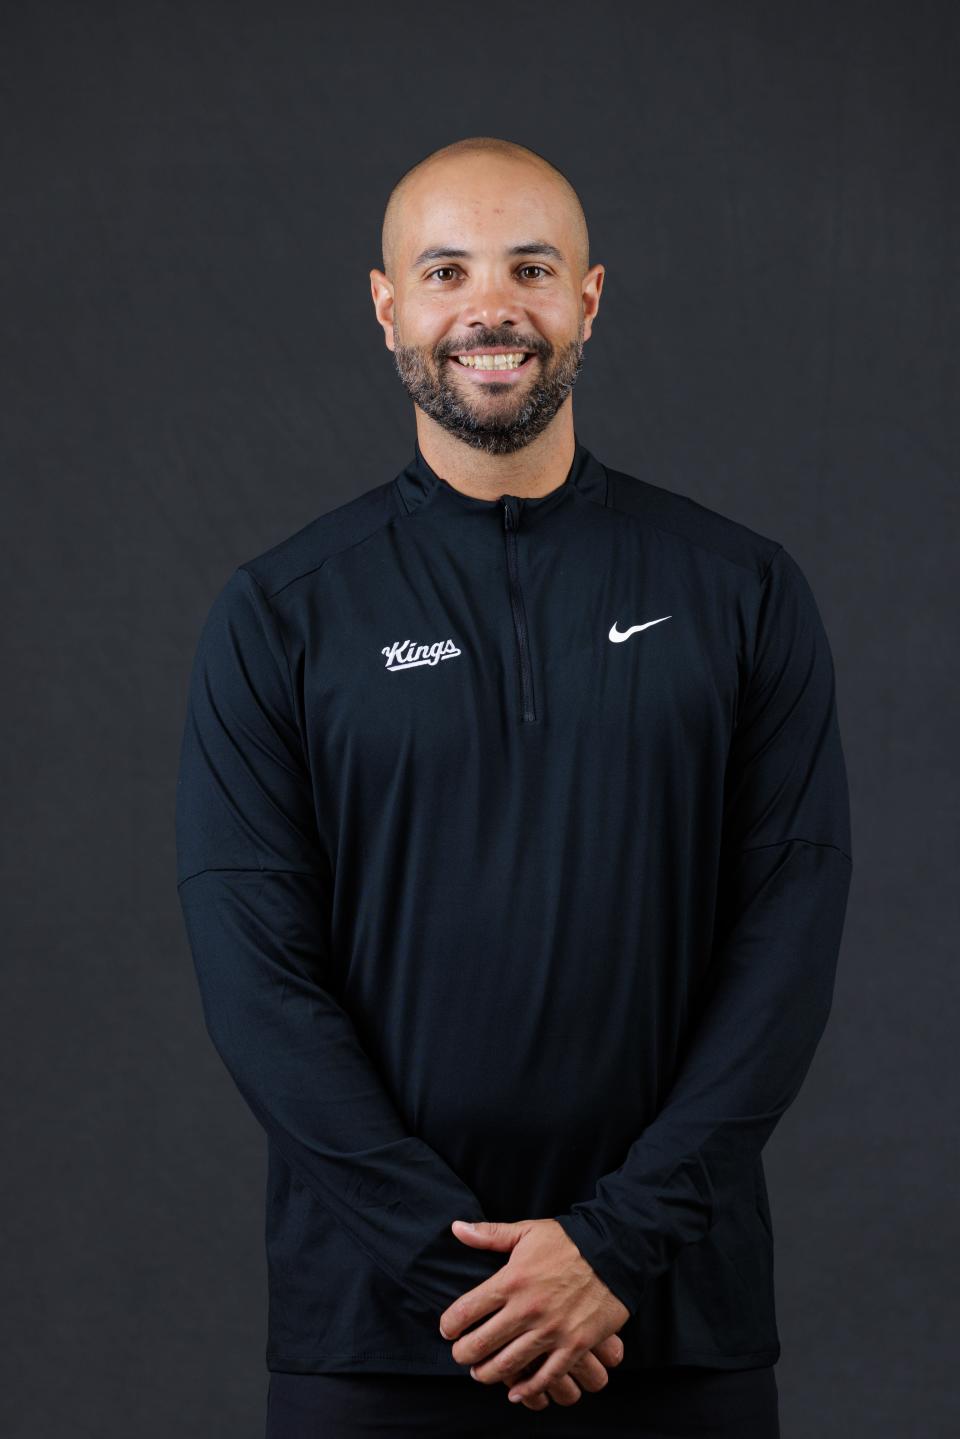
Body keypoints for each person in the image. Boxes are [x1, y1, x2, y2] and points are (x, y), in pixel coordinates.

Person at [174, 135, 853, 1438]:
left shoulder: (739, 590)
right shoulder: (282, 614)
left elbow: (788, 942)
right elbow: (257, 980)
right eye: (447, 270)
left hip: (670, 1329)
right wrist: (466, 1281)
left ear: (588, 297)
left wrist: (614, 1250)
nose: (492, 306)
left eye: (529, 268)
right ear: (389, 307)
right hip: (376, 1338)